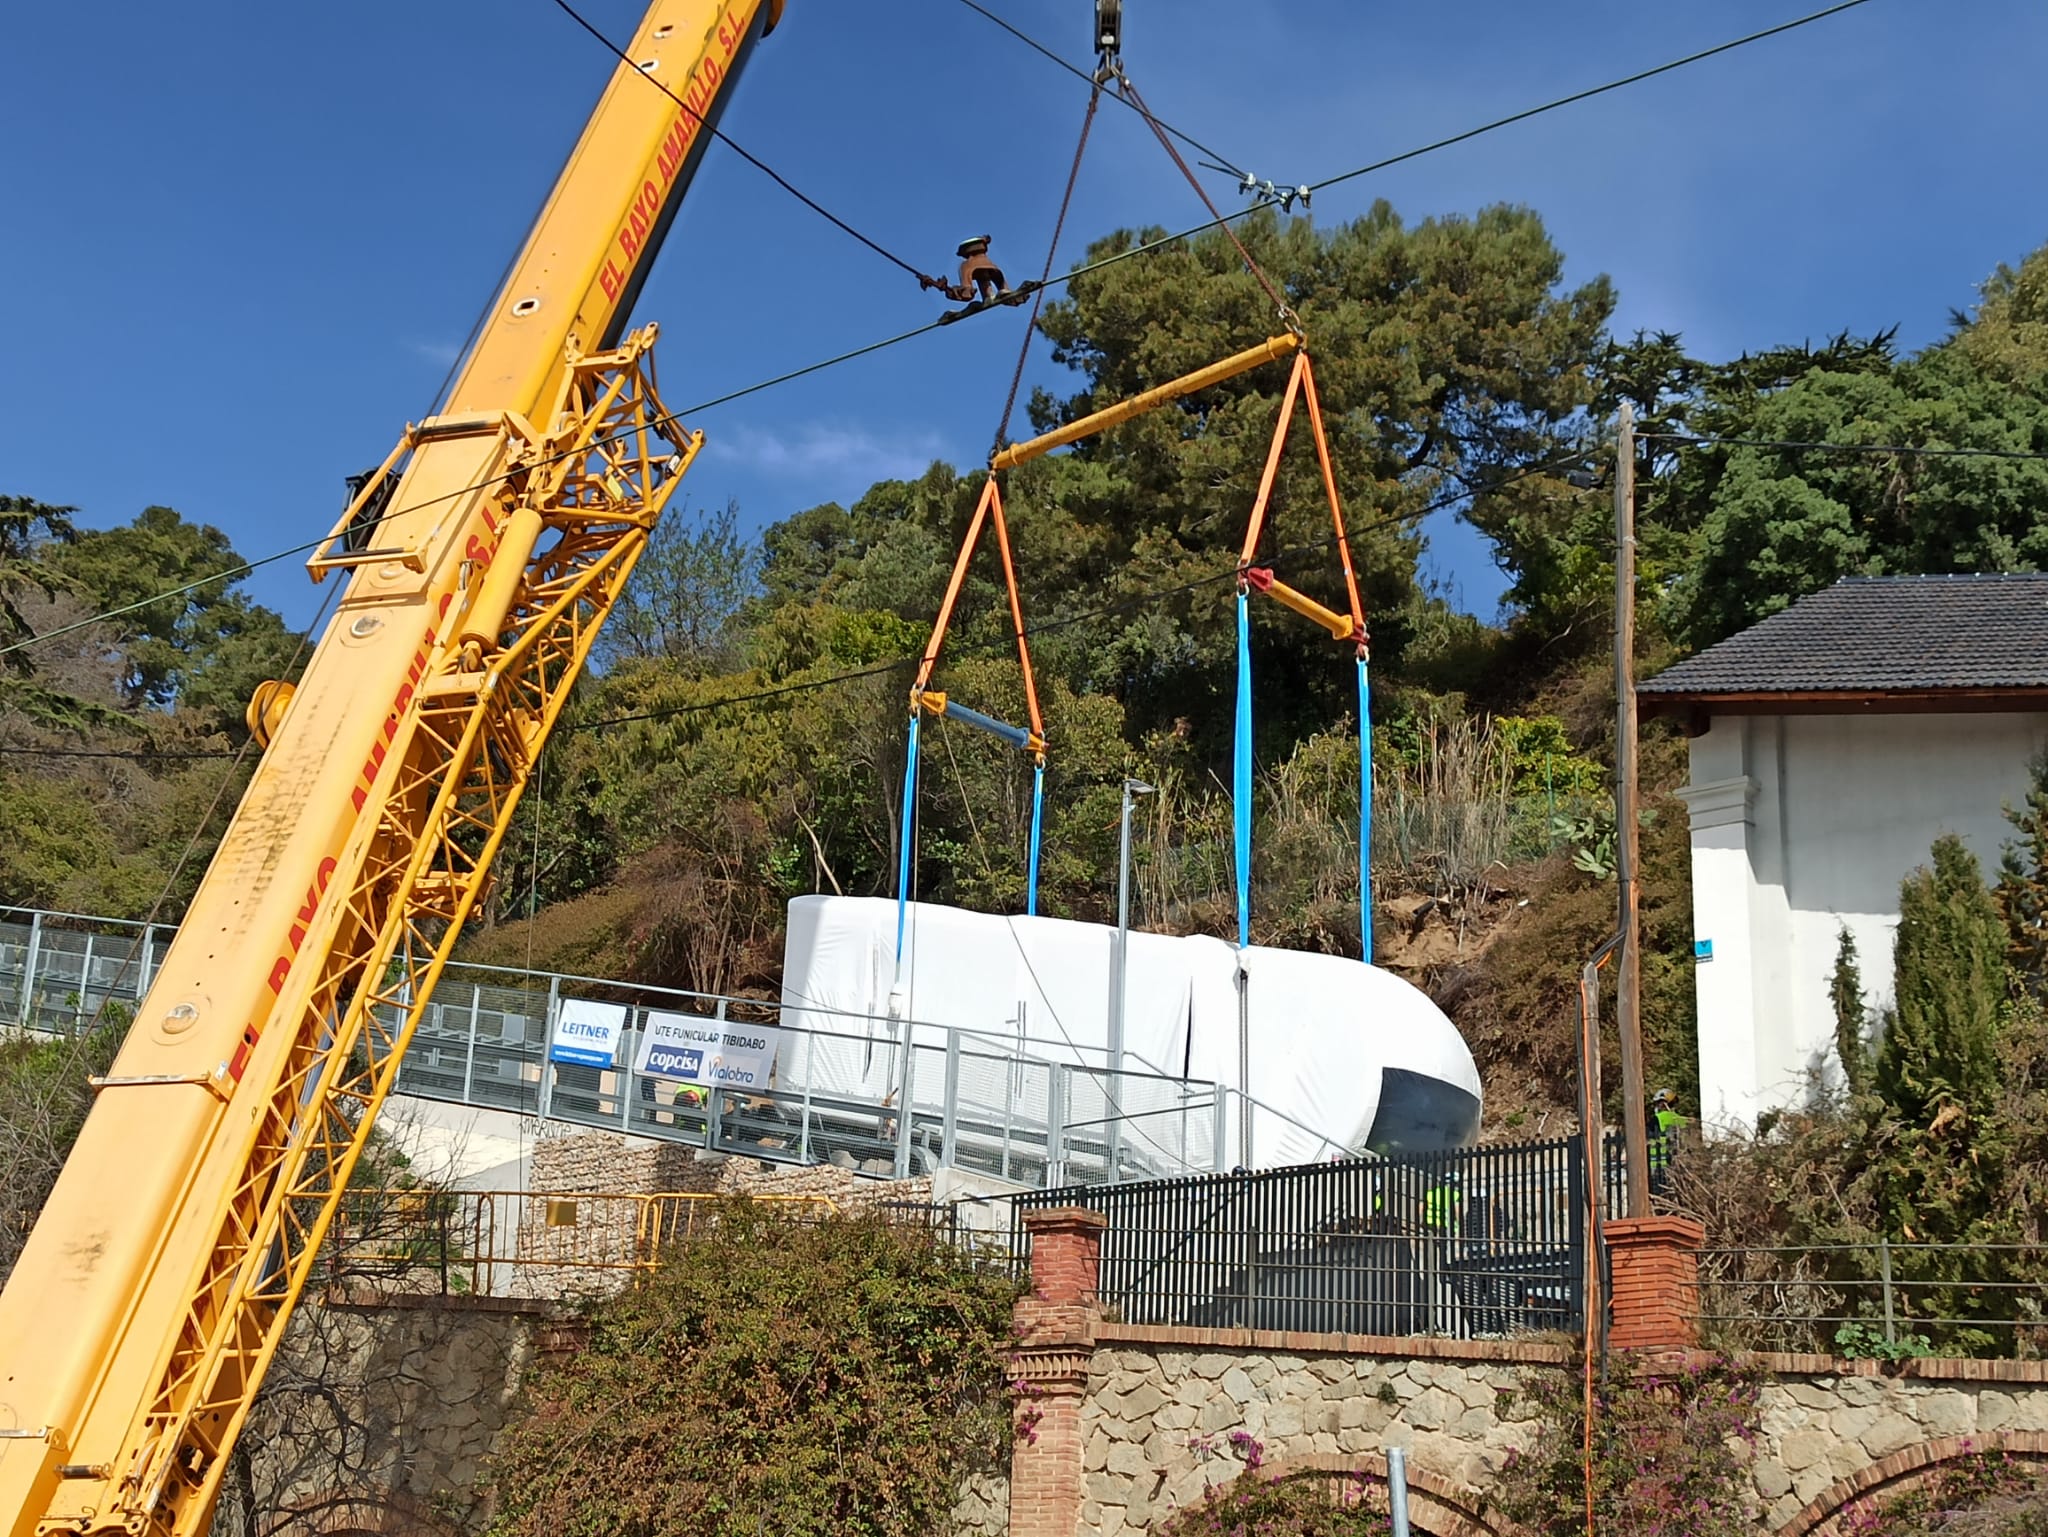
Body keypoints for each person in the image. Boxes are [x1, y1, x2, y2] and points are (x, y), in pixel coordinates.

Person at [1646, 1087, 1687, 1195]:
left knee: (1658, 1194)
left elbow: (1647, 1138)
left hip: (1658, 1164)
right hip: (1677, 1162)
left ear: (1662, 1103)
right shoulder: (1681, 1120)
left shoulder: (1657, 1119)